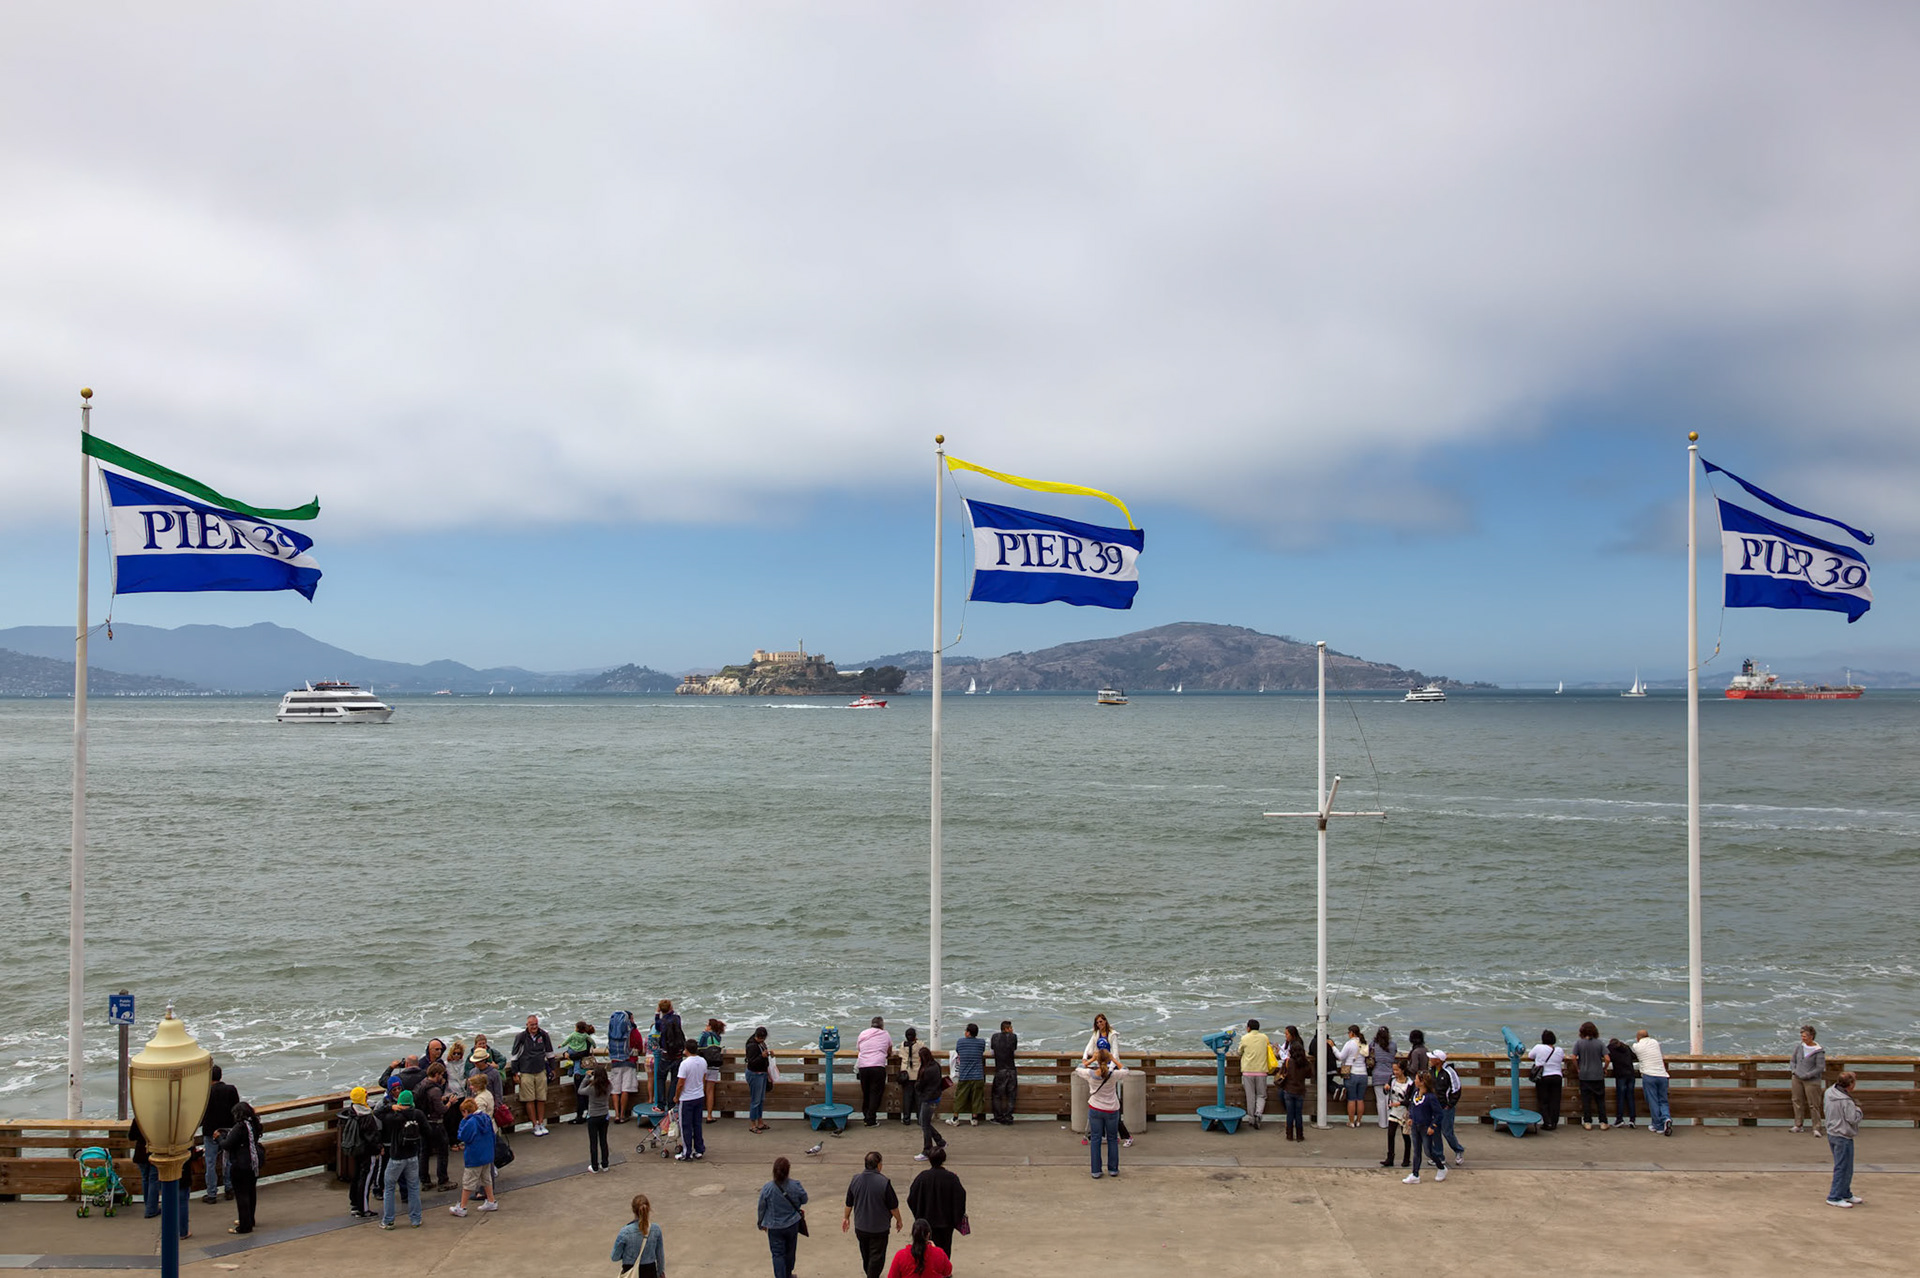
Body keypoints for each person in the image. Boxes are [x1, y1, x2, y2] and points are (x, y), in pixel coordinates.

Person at [843, 1149, 903, 1278]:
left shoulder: (855, 1180)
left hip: (861, 1227)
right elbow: (893, 1207)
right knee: (877, 1257)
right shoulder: (884, 1182)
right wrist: (899, 1220)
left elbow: (849, 1203)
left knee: (866, 1255)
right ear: (879, 1165)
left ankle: (870, 1273)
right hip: (879, 1228)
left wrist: (846, 1218)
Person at [131, 1116, 191, 1238]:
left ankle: (148, 1205)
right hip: (155, 1152)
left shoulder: (139, 1117)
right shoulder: (160, 1120)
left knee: (145, 1179)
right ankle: (151, 1208)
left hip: (140, 1152)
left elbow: (131, 1136)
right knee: (153, 1180)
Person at [1080, 1015, 1133, 1145]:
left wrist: (1111, 1069)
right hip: (1101, 1068)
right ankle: (1103, 1135)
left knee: (1111, 1104)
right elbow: (1089, 1046)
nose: (1099, 1024)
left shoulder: (1112, 1035)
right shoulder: (1096, 1033)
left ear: (1105, 1021)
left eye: (1101, 1021)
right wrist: (1085, 1058)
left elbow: (1114, 1053)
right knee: (1104, 1104)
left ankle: (1127, 1136)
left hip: (1110, 1071)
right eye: (1097, 1022)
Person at [1077, 1043, 1128, 1179]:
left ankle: (1096, 1170)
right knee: (1112, 1138)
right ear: (1108, 1059)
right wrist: (1114, 1059)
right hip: (1111, 1109)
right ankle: (1113, 1169)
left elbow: (1079, 1069)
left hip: (1095, 1109)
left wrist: (1091, 1060)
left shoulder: (1090, 1074)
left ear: (1098, 1060)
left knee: (1095, 1139)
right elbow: (1126, 1070)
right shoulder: (1113, 1075)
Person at [905, 1146, 967, 1257]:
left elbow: (911, 1198)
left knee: (927, 1249)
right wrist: (955, 1218)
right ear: (943, 1159)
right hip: (946, 1223)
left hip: (927, 1222)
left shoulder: (922, 1178)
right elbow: (960, 1198)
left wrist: (919, 1216)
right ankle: (943, 1270)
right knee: (945, 1249)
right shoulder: (951, 1178)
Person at [379, 1089, 425, 1230]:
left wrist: (390, 1107)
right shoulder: (418, 1114)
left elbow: (377, 1113)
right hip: (412, 1156)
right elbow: (427, 1131)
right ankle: (416, 1219)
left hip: (397, 1157)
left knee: (389, 1188)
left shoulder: (395, 1117)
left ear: (399, 1102)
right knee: (414, 1187)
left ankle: (388, 1220)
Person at [756, 1156, 808, 1278]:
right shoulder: (795, 1185)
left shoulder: (767, 1188)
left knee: (777, 1254)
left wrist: (760, 1223)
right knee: (790, 1252)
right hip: (792, 1224)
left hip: (774, 1227)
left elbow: (761, 1207)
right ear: (788, 1171)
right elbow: (804, 1199)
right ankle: (788, 1274)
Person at [218, 1101, 264, 1234]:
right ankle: (250, 1219)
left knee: (241, 1195)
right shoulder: (254, 1125)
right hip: (253, 1163)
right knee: (251, 1192)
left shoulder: (240, 1127)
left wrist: (219, 1138)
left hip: (240, 1164)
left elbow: (227, 1144)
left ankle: (244, 1226)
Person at [450, 1098, 501, 1217]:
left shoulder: (470, 1122)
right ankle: (491, 1201)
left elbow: (463, 1136)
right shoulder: (486, 1118)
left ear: (466, 1111)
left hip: (475, 1156)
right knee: (486, 1178)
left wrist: (463, 1122)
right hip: (487, 1154)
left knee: (468, 1182)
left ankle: (462, 1207)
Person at [338, 1084, 382, 1217]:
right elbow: (371, 1137)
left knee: (357, 1176)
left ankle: (355, 1204)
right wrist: (379, 1148)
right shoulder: (366, 1116)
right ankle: (363, 1209)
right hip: (367, 1152)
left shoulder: (352, 1111)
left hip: (357, 1150)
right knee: (366, 1178)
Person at [510, 1014, 555, 1136]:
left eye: (536, 1024)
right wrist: (515, 1072)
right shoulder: (521, 1037)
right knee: (529, 1099)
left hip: (540, 1070)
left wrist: (553, 1068)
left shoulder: (544, 1035)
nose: (534, 1026)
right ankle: (534, 1125)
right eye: (532, 1025)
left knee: (541, 1098)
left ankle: (541, 1123)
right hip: (525, 1072)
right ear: (527, 1025)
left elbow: (550, 1053)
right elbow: (514, 1056)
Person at [200, 1063, 239, 1202]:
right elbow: (237, 1110)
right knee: (227, 1160)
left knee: (210, 1163)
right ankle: (229, 1188)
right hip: (228, 1130)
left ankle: (212, 1194)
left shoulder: (205, 1093)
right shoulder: (231, 1089)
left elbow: (200, 1114)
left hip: (210, 1131)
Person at [1823, 1071, 1863, 1208]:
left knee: (1846, 1166)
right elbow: (1852, 1119)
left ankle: (1845, 1192)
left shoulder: (1829, 1092)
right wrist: (1859, 1111)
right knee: (1842, 1167)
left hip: (1832, 1132)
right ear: (1850, 1084)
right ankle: (1834, 1196)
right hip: (1842, 1135)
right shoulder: (1846, 1101)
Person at [1402, 1073, 1446, 1184]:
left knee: (1428, 1151)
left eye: (1416, 1079)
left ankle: (1441, 1168)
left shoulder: (1430, 1097)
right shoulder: (1416, 1093)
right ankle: (1415, 1174)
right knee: (1416, 1151)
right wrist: (1411, 1117)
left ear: (1422, 1082)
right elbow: (1412, 1106)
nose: (1414, 1081)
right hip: (1415, 1126)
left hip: (1425, 1127)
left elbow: (1439, 1113)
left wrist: (1433, 1126)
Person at [612, 1192, 666, 1275]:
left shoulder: (625, 1232)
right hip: (650, 1272)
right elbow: (660, 1257)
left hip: (630, 1271)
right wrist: (660, 1273)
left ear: (633, 1210)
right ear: (648, 1209)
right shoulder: (656, 1230)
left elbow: (614, 1257)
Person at [419, 1063, 453, 1190]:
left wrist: (440, 1099)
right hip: (436, 1123)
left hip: (424, 1123)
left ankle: (425, 1180)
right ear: (437, 1074)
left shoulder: (422, 1084)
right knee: (442, 1152)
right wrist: (449, 1102)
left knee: (424, 1152)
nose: (442, 1077)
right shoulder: (435, 1090)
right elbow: (441, 1110)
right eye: (441, 1074)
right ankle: (443, 1180)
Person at [672, 1040, 707, 1160]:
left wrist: (676, 1096)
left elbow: (680, 1083)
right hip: (699, 1095)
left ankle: (686, 1153)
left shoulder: (685, 1064)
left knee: (685, 1125)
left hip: (687, 1098)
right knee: (697, 1124)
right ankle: (699, 1149)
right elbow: (703, 1078)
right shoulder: (703, 1061)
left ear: (686, 1049)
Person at [1632, 1029, 1672, 1135]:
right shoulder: (1655, 1042)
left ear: (1638, 1038)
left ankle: (1657, 1126)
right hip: (1662, 1075)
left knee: (1653, 1100)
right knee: (1663, 1100)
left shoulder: (1636, 1046)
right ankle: (1666, 1118)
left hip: (1649, 1075)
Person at [857, 1017, 894, 1128]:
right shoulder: (885, 1034)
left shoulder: (863, 1033)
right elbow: (889, 1050)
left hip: (863, 1066)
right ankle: (871, 1119)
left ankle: (866, 1117)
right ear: (882, 1026)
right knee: (875, 1094)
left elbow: (859, 1049)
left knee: (866, 1092)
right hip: (877, 1066)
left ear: (871, 1025)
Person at [1431, 1050, 1465, 1165]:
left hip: (1445, 1108)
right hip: (1434, 1108)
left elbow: (1457, 1089)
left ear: (1439, 1060)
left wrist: (1449, 1105)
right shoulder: (1432, 1071)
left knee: (1447, 1132)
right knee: (1435, 1131)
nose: (1430, 1060)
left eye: (1432, 1058)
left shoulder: (1449, 1072)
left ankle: (1458, 1150)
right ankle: (1439, 1156)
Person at [1791, 1025, 1827, 1135]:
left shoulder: (1819, 1051)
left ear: (1811, 1036)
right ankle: (1798, 1124)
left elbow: (1820, 1067)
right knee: (1797, 1101)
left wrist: (1808, 1075)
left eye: (1805, 1036)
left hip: (1812, 1081)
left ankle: (1816, 1127)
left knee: (1814, 1104)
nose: (1803, 1038)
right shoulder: (1799, 1047)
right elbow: (1793, 1060)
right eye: (1802, 1036)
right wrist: (1794, 1071)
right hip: (1797, 1078)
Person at [1526, 1030, 1565, 1131]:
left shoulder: (1538, 1047)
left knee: (1543, 1101)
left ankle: (1547, 1122)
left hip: (1544, 1076)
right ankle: (1554, 1122)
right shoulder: (1559, 1050)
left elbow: (1530, 1056)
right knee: (1555, 1101)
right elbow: (1561, 1059)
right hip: (1557, 1076)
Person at [1572, 1022, 1608, 1130]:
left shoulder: (1579, 1043)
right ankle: (1603, 1122)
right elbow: (1607, 1058)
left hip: (1584, 1075)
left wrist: (1577, 1068)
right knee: (1600, 1100)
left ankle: (1587, 1122)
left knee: (1586, 1100)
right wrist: (1604, 1069)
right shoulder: (1600, 1043)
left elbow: (1573, 1057)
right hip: (1598, 1074)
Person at [887, 1219, 953, 1278]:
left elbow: (892, 1276)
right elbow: (948, 1271)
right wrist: (936, 1250)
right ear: (928, 1234)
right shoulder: (939, 1254)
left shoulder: (900, 1255)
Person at [1277, 1026, 1310, 1141]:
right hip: (1300, 1090)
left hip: (1289, 1090)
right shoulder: (1305, 1063)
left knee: (1290, 1114)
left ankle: (1289, 1135)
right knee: (1298, 1115)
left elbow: (1283, 1074)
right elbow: (1310, 1074)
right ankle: (1300, 1135)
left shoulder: (1288, 1062)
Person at [607, 1009, 640, 1123]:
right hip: (629, 1062)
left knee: (615, 1090)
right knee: (625, 1089)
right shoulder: (633, 1031)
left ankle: (616, 1115)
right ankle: (622, 1115)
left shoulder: (612, 1031)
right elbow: (639, 1045)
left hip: (615, 1061)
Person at [913, 1046, 946, 1162]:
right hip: (936, 1096)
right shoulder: (936, 1065)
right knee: (924, 1122)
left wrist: (916, 1085)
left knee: (925, 1125)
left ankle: (927, 1150)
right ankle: (940, 1141)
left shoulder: (925, 1070)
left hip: (928, 1099)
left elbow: (920, 1085)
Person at [950, 1024, 987, 1125]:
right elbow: (982, 1051)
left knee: (959, 1097)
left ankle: (955, 1118)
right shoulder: (981, 1042)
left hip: (965, 1075)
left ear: (968, 1032)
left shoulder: (960, 1042)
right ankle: (974, 1119)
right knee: (977, 1098)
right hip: (978, 1075)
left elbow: (958, 1051)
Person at [1238, 1019, 1272, 1130]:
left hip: (1248, 1071)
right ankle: (1258, 1113)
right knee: (1261, 1095)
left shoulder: (1245, 1038)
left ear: (1248, 1028)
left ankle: (1251, 1119)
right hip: (1261, 1071)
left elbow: (1239, 1052)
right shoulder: (1264, 1038)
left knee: (1250, 1096)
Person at [1379, 1060, 1411, 1168]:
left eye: (1397, 1070)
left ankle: (1406, 1158)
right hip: (1394, 1111)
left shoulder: (1409, 1083)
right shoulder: (1392, 1080)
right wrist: (1385, 1088)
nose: (1395, 1072)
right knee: (1390, 1134)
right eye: (1394, 1070)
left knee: (1405, 1136)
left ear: (1403, 1070)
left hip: (1405, 1112)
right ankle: (1390, 1158)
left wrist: (1400, 1103)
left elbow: (1410, 1101)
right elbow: (1386, 1092)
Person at [653, 1001, 686, 1109]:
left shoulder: (661, 1022)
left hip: (666, 1055)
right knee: (674, 1080)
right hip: (677, 1054)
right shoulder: (677, 1018)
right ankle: (672, 1104)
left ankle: (661, 1104)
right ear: (671, 1008)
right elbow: (674, 1016)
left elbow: (657, 1025)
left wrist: (657, 1013)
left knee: (660, 1078)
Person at [563, 1021, 597, 1124]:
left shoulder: (585, 1040)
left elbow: (582, 1053)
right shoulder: (585, 1039)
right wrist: (566, 1053)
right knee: (583, 1094)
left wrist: (569, 1056)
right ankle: (587, 1114)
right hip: (584, 1070)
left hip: (581, 1071)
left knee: (580, 1093)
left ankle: (580, 1116)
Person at [583, 1064, 613, 1172]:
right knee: (603, 1141)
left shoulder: (591, 1088)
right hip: (604, 1115)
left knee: (593, 1142)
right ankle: (605, 1165)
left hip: (593, 1116)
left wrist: (587, 1077)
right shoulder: (609, 1086)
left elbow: (580, 1090)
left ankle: (594, 1166)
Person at [1336, 1025, 1368, 1127]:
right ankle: (1358, 1121)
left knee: (1351, 1099)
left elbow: (1341, 1057)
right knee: (1360, 1099)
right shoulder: (1364, 1043)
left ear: (1352, 1033)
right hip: (1363, 1074)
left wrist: (1333, 1047)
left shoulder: (1349, 1044)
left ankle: (1351, 1122)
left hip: (1352, 1074)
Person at [989, 1020, 1019, 1124]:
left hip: (1000, 1069)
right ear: (1006, 1028)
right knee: (1011, 1095)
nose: (1012, 1030)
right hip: (1011, 1069)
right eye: (1010, 1028)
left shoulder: (994, 1037)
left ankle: (998, 1117)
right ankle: (1008, 1117)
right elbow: (1013, 1048)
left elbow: (993, 1048)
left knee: (997, 1095)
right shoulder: (1013, 1037)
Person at [745, 1026, 773, 1133]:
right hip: (755, 1074)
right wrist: (762, 1056)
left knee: (761, 1100)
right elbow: (752, 1062)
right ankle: (753, 1125)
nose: (763, 1040)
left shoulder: (760, 1043)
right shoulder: (752, 1045)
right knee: (755, 1101)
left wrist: (767, 1054)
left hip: (762, 1073)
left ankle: (760, 1122)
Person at [1605, 1037, 1638, 1128]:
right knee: (1630, 1097)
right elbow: (1634, 1056)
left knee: (1620, 1097)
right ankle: (1632, 1120)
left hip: (1620, 1075)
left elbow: (1605, 1056)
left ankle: (1619, 1119)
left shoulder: (1610, 1048)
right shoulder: (1626, 1047)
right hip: (1630, 1074)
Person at [1369, 1026, 1397, 1128]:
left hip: (1377, 1074)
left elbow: (1368, 1054)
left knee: (1380, 1101)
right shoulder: (1393, 1045)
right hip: (1389, 1075)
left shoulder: (1373, 1045)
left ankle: (1382, 1123)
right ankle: (1390, 1122)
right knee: (1389, 1100)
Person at [698, 1020, 726, 1123]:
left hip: (704, 1065)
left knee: (701, 1090)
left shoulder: (704, 1035)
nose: (706, 1026)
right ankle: (709, 1115)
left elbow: (698, 1046)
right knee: (710, 1091)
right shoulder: (718, 1037)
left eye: (707, 1025)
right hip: (714, 1065)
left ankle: (698, 1114)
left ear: (710, 1027)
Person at [897, 1028, 921, 1127]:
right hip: (917, 1074)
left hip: (906, 1074)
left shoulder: (902, 1045)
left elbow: (900, 1055)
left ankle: (906, 1119)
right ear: (915, 1036)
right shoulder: (920, 1045)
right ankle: (920, 1118)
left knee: (907, 1098)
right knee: (919, 1098)